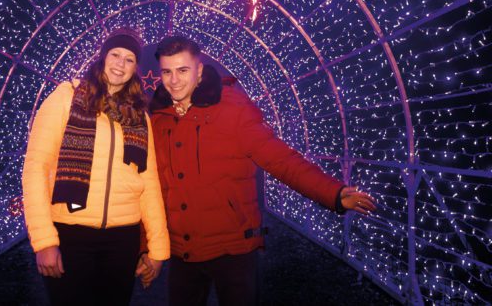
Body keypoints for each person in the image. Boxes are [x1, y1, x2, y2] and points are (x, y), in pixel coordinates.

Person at [139, 35, 376, 305]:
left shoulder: (233, 109)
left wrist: (333, 193)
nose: (174, 80)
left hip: (233, 248)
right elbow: (150, 188)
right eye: (167, 72)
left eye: (183, 70)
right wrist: (146, 248)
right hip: (183, 250)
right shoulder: (158, 119)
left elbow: (280, 159)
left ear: (199, 70)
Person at [22, 29, 169, 306]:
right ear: (102, 58)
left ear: (135, 68)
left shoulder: (139, 116)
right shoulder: (67, 98)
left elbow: (149, 184)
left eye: (129, 59)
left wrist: (158, 250)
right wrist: (44, 241)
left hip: (122, 239)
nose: (120, 64)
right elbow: (36, 168)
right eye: (115, 55)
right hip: (70, 233)